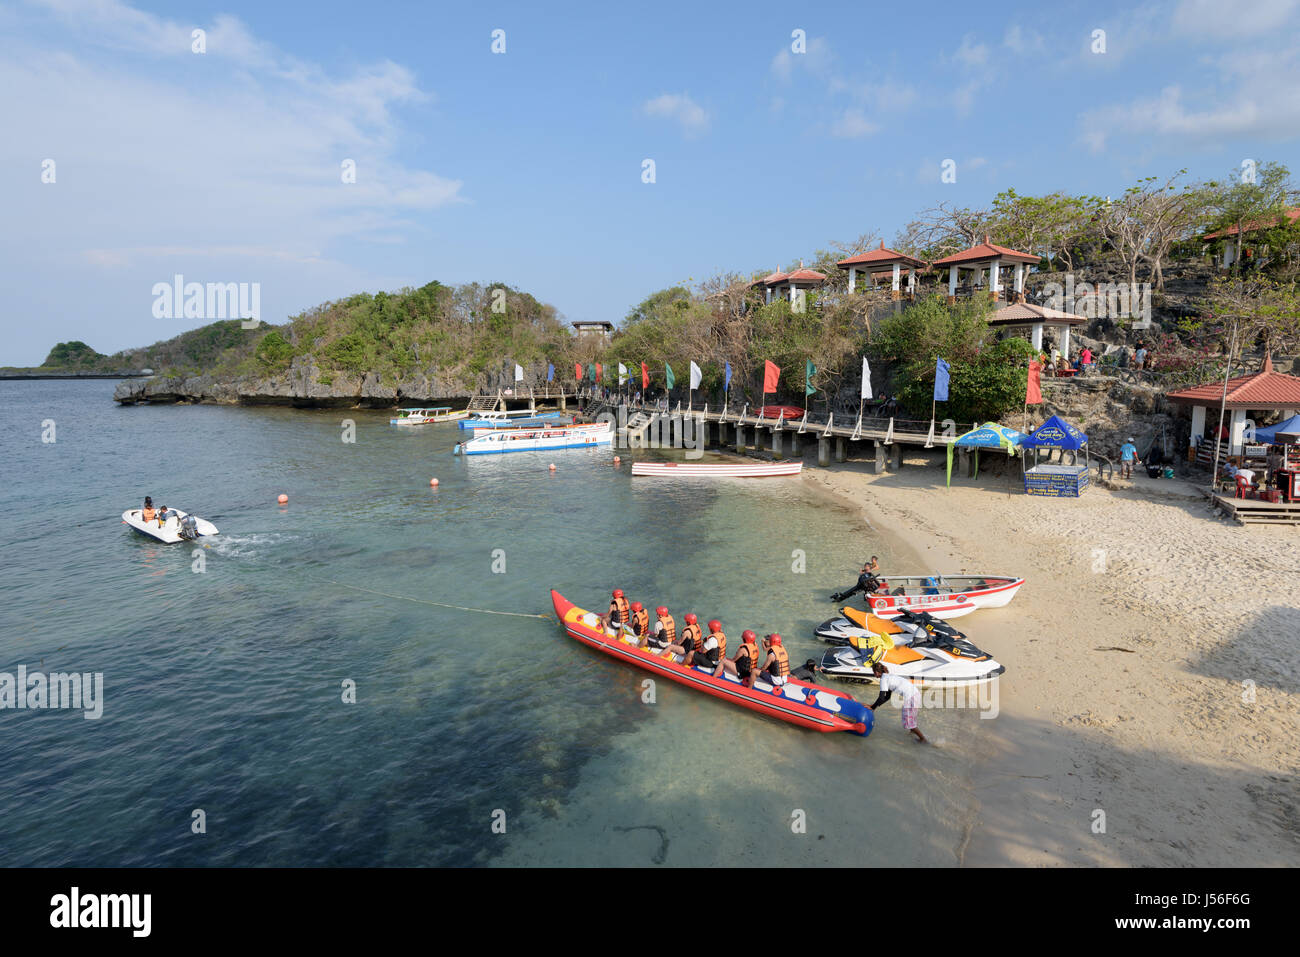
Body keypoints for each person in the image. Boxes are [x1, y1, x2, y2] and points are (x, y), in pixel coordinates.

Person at [869, 662, 926, 743]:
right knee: (909, 718)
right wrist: (873, 706)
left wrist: (872, 707)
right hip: (915, 694)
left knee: (908, 721)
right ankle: (913, 732)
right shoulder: (888, 676)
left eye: (873, 672)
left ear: (876, 672)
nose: (874, 674)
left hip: (911, 697)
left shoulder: (883, 679)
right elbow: (887, 697)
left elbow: (881, 697)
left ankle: (923, 739)